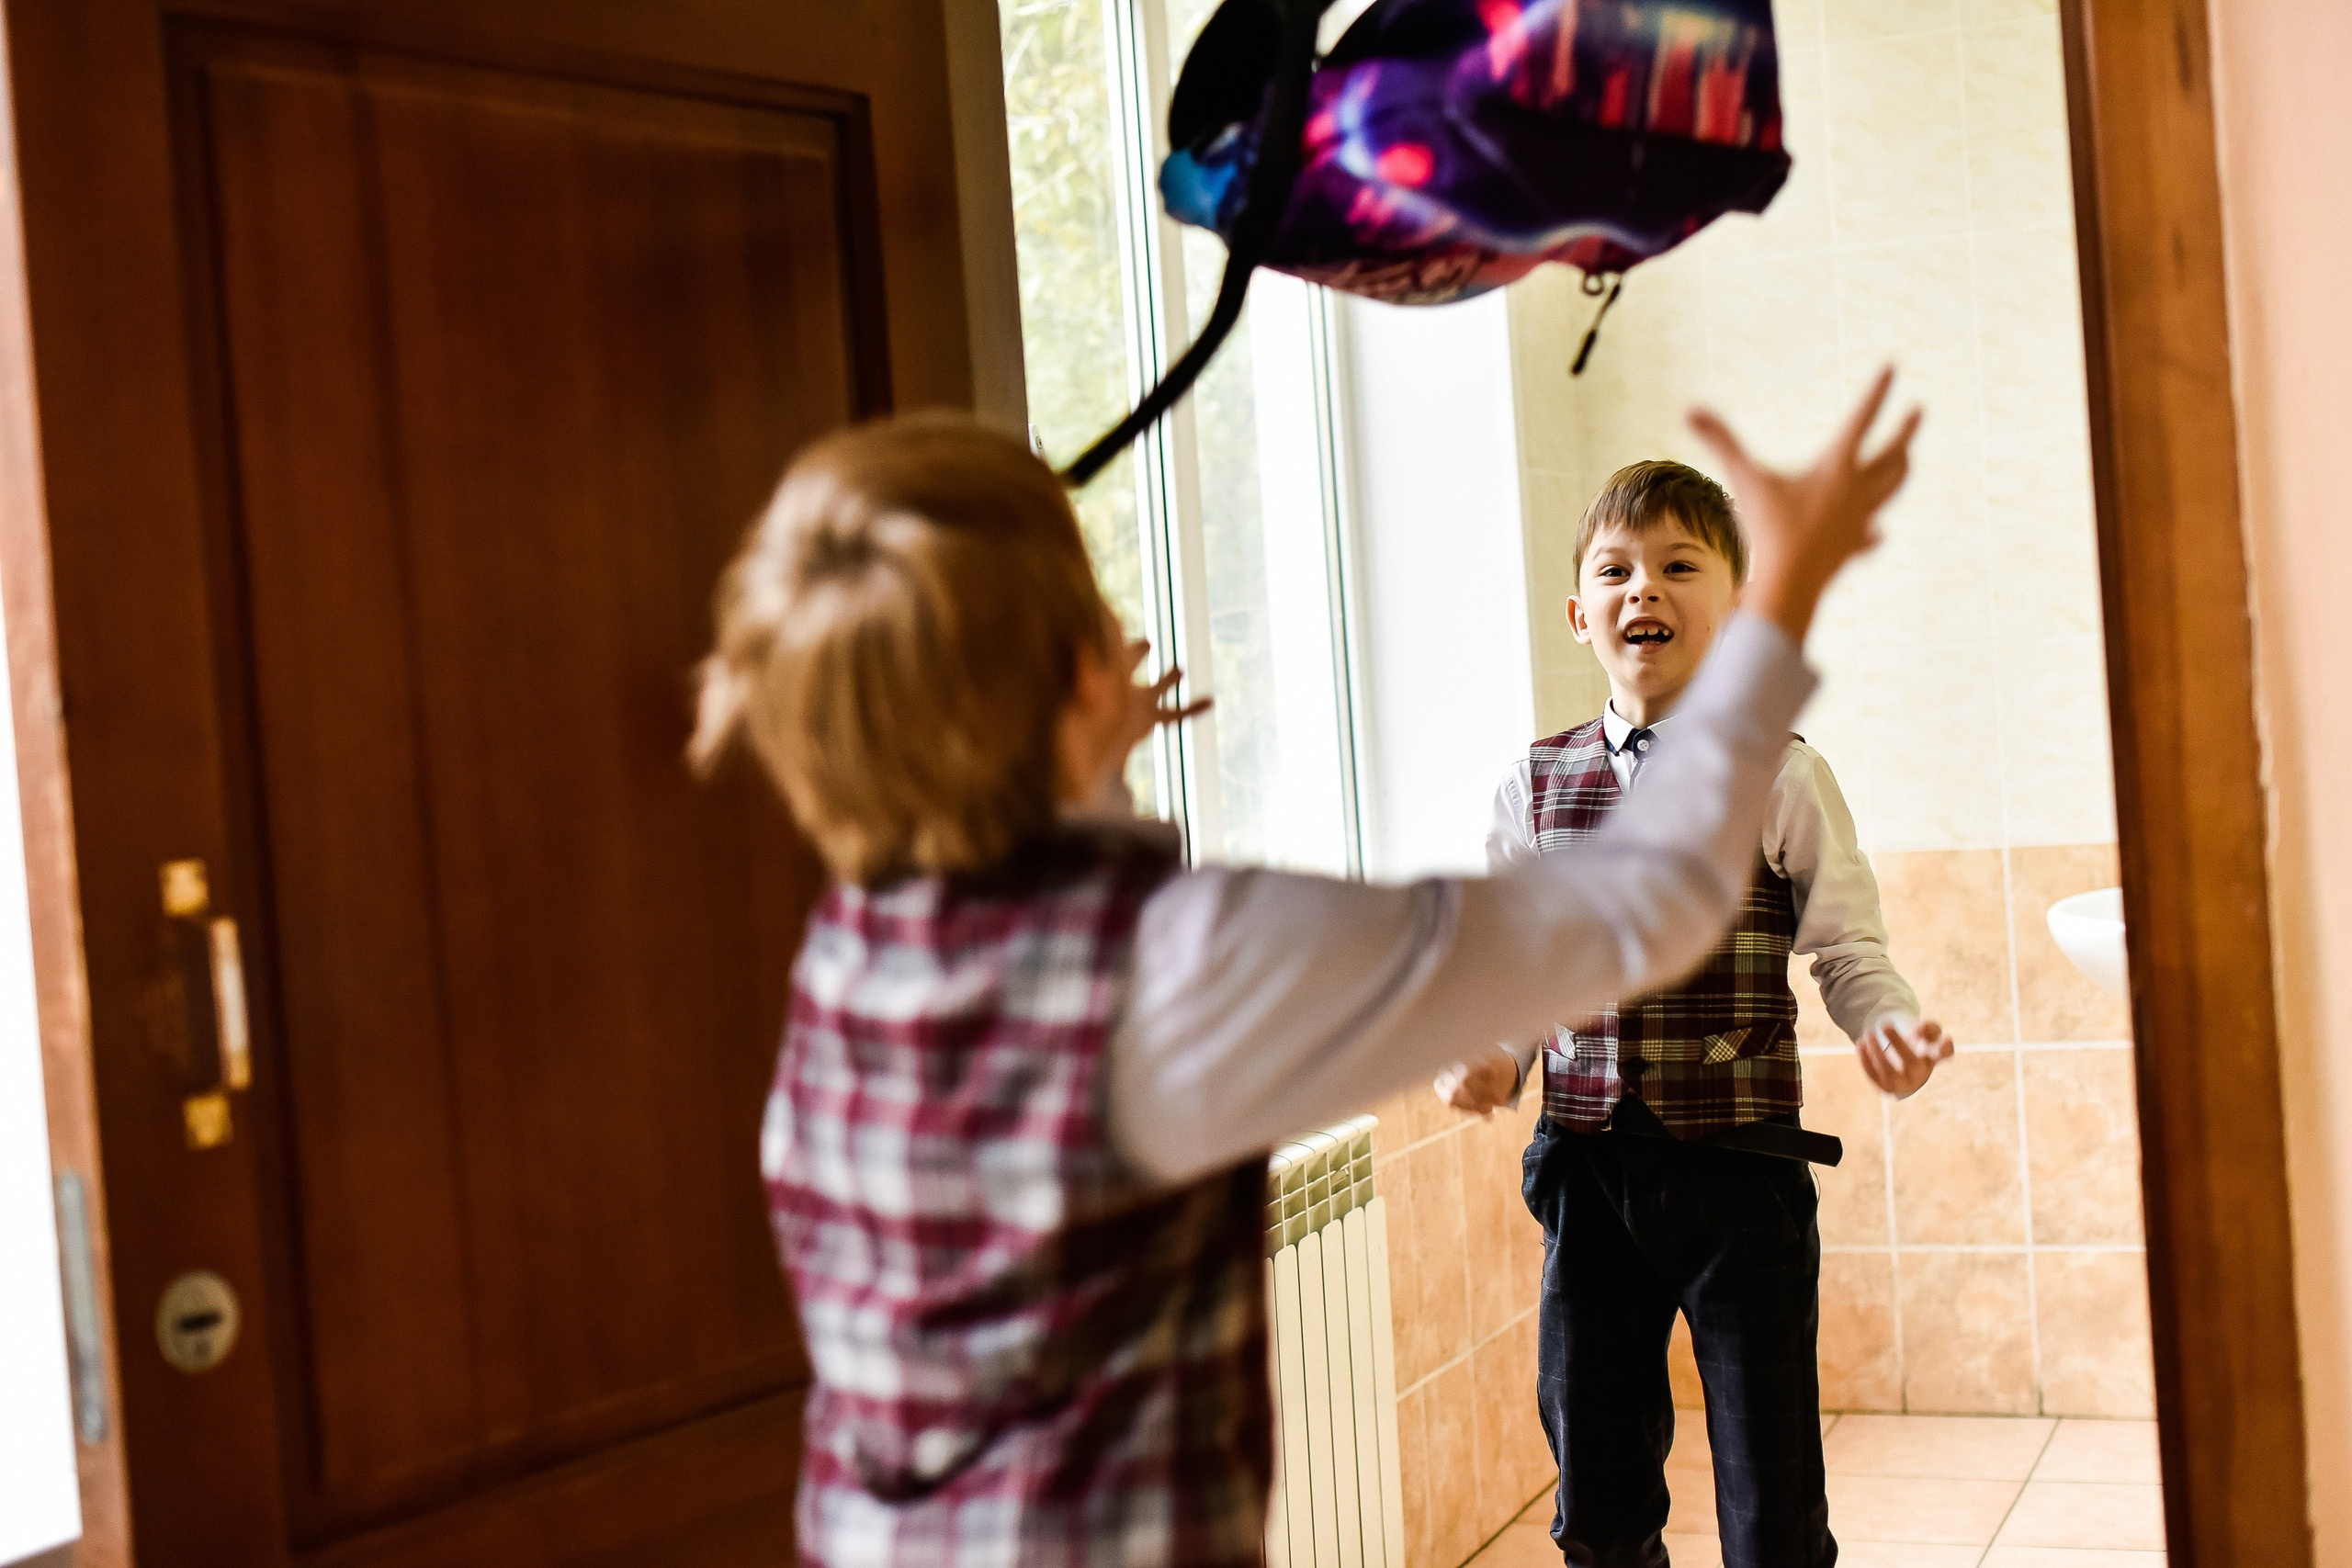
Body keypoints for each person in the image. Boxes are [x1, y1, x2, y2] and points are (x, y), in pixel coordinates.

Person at [689, 374, 1917, 1565]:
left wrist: (1069, 772)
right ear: (1071, 673)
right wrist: (1789, 587)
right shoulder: (1174, 958)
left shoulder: (843, 966)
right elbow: (1639, 907)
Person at [1433, 457, 1954, 1568]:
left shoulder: (1779, 776)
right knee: (1600, 1489)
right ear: (1580, 614)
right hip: (1586, 1176)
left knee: (1769, 1497)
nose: (1644, 590)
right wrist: (1488, 1057)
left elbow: (1848, 946)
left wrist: (1885, 1025)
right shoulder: (1532, 783)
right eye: (1615, 570)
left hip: (1741, 1179)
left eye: (1679, 566)